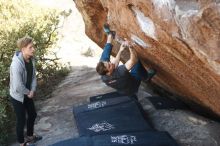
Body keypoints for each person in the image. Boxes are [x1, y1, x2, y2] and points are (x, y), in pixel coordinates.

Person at [96, 24, 156, 98]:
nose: (109, 62)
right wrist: (130, 46)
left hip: (122, 88)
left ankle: (110, 34)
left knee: (105, 56)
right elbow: (133, 60)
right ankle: (146, 77)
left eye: (107, 62)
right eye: (109, 65)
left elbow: (113, 64)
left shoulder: (104, 74)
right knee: (136, 63)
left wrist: (120, 51)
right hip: (132, 86)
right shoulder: (120, 72)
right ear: (108, 72)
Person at [9, 36, 42, 146]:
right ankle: (21, 143)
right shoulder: (16, 64)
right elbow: (18, 86)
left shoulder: (31, 60)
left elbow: (33, 77)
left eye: (33, 47)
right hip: (17, 96)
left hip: (28, 93)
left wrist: (32, 90)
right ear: (23, 49)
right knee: (21, 120)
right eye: (30, 47)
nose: (33, 49)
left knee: (32, 114)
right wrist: (28, 92)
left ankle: (30, 135)